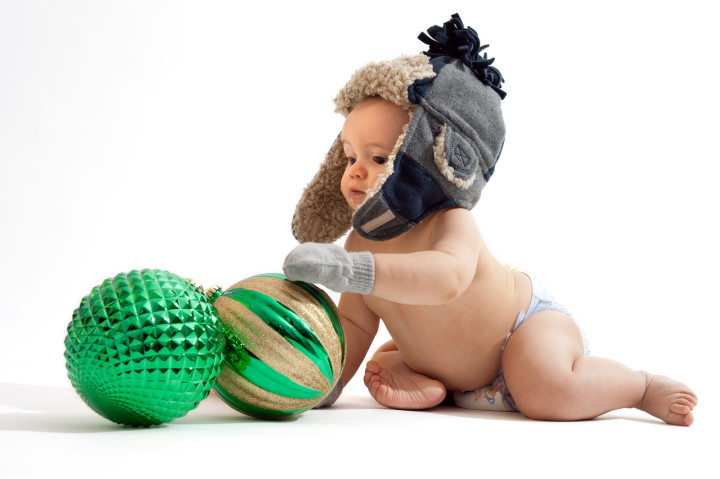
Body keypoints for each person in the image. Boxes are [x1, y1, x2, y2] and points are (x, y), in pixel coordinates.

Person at [283, 14, 697, 425]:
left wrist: (353, 271)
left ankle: (638, 387)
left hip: (522, 331)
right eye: (350, 156)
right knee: (386, 347)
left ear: (425, 157)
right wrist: (324, 385)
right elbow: (354, 323)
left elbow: (447, 277)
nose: (354, 171)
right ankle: (431, 379)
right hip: (462, 375)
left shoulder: (449, 221)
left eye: (377, 158)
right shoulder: (361, 243)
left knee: (547, 390)